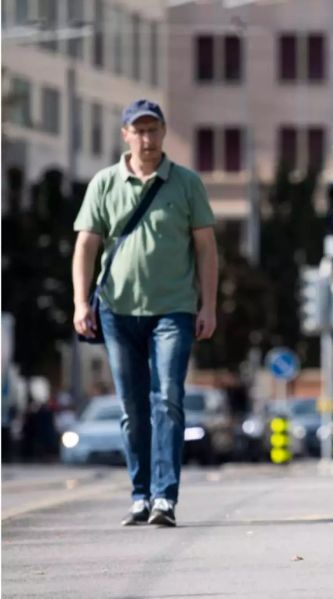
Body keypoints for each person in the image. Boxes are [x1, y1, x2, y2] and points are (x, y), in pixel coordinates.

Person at [72, 99, 218, 526]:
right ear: (125, 135)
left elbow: (207, 249)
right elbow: (86, 245)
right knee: (132, 407)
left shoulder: (187, 183)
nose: (147, 138)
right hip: (118, 312)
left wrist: (208, 305)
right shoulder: (104, 183)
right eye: (139, 130)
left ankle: (164, 498)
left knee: (168, 399)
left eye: (154, 130)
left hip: (174, 311)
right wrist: (82, 303)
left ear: (164, 132)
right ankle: (139, 493)